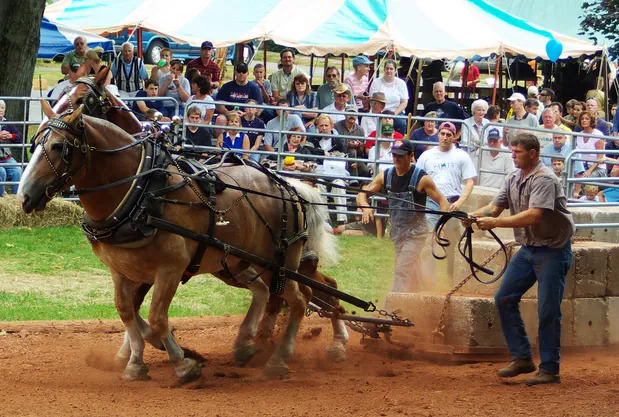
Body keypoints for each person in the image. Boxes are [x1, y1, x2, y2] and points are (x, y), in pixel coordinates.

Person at [465, 132, 574, 386]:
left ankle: (550, 368)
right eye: (512, 151)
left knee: (547, 310)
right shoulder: (513, 177)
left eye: (517, 152)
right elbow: (494, 207)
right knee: (504, 298)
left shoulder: (545, 179)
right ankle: (523, 357)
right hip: (528, 249)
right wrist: (473, 214)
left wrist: (496, 222)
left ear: (532, 153)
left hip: (552, 251)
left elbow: (534, 215)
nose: (512, 155)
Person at [357, 140, 449, 292]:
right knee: (409, 268)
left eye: (400, 155)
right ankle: (424, 296)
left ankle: (394, 307)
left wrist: (441, 227)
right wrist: (365, 207)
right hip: (397, 233)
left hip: (416, 233)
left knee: (402, 269)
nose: (395, 159)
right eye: (394, 155)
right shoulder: (385, 176)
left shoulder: (421, 178)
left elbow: (443, 202)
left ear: (411, 156)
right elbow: (362, 194)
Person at [416, 121, 477, 280]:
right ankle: (429, 280)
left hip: (453, 203)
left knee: (452, 243)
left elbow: (470, 181)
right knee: (430, 240)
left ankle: (451, 277)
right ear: (438, 134)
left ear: (455, 137)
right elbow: (417, 179)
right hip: (431, 203)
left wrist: (461, 201)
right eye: (442, 134)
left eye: (448, 135)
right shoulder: (426, 155)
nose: (445, 137)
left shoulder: (461, 156)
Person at [369, 59, 409, 134]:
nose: (389, 71)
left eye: (391, 69)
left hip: (396, 111)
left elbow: (404, 102)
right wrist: (380, 112)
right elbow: (372, 100)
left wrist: (394, 114)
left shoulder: (401, 83)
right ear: (384, 69)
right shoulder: (376, 82)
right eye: (387, 68)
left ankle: (399, 143)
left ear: (395, 70)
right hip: (380, 111)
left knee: (402, 123)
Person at [334, 105, 368, 177]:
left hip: (356, 157)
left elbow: (361, 152)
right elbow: (335, 146)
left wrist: (359, 146)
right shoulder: (336, 126)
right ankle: (353, 178)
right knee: (351, 150)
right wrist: (347, 145)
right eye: (349, 113)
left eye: (354, 114)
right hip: (340, 155)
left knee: (365, 171)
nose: (352, 116)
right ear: (345, 114)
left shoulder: (360, 129)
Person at [0, 100, 22, 196]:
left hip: (6, 158)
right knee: (2, 172)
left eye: (2, 108)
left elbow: (19, 137)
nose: (1, 110)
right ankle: (2, 201)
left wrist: (10, 136)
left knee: (17, 170)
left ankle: (14, 200)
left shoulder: (6, 123)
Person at [461, 99, 489, 164]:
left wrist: (476, 143)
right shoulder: (466, 123)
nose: (481, 112)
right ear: (474, 111)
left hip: (484, 156)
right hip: (469, 156)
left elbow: (488, 141)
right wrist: (475, 145)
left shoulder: (487, 123)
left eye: (483, 110)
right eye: (479, 110)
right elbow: (464, 141)